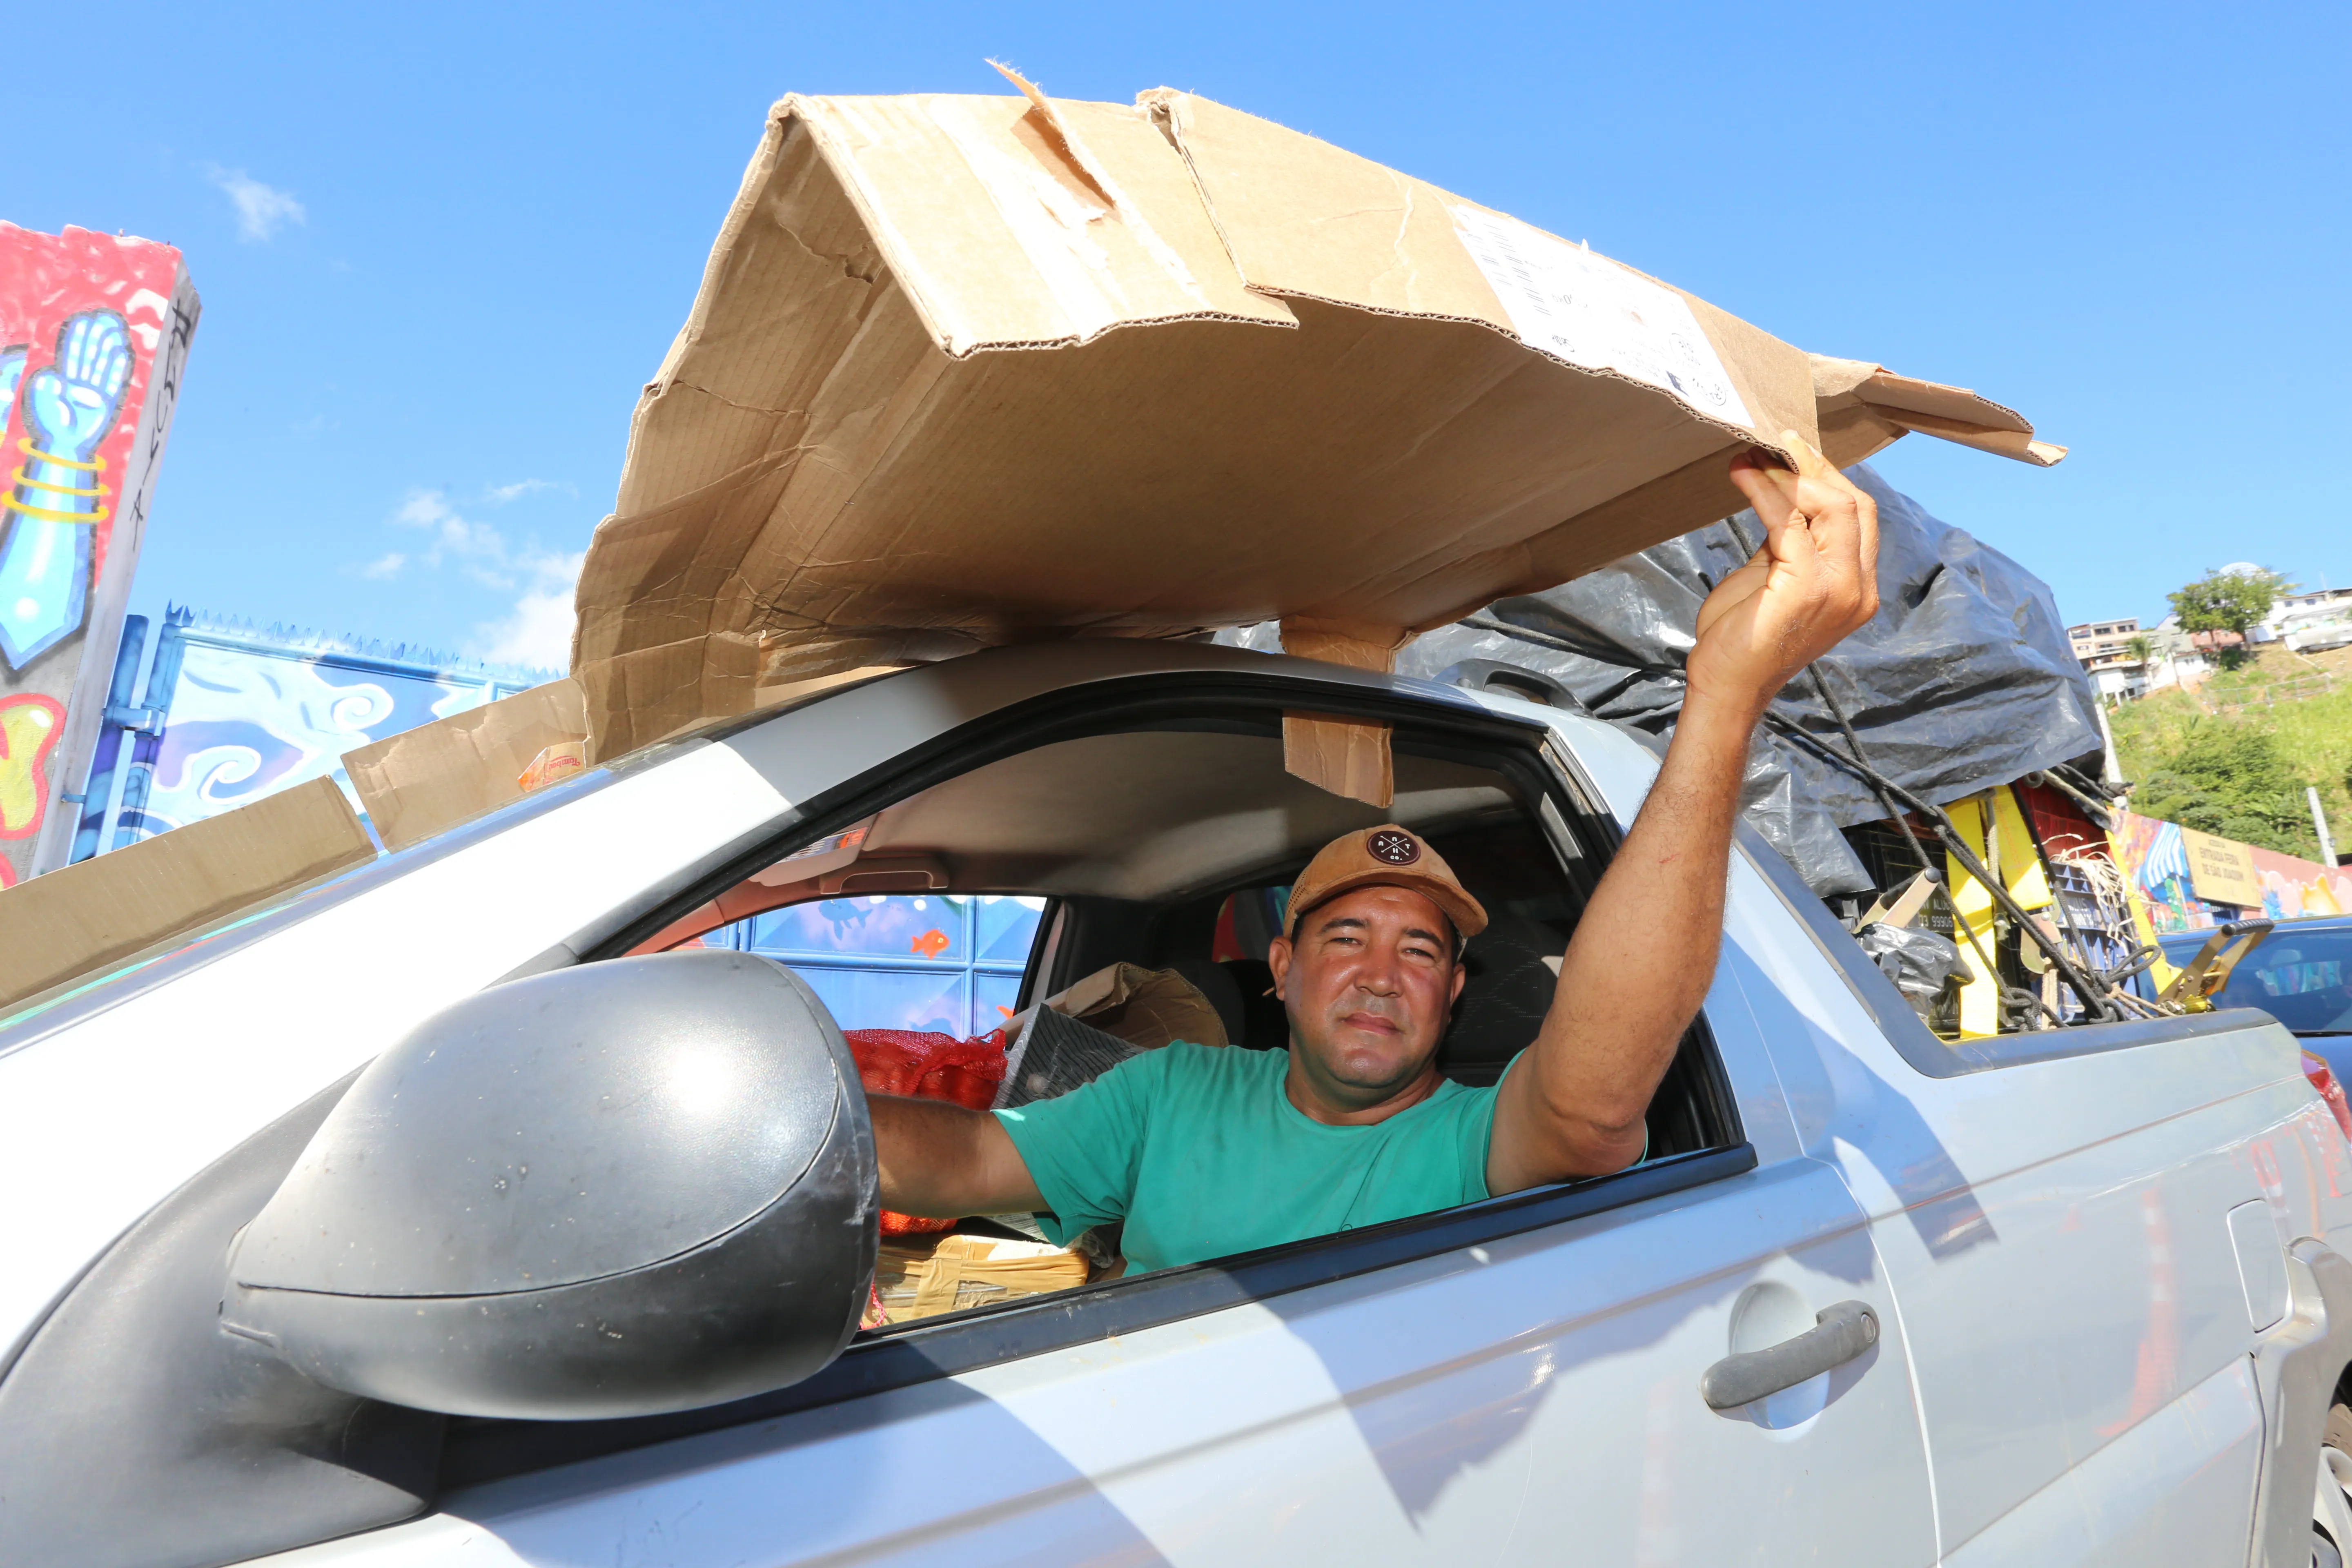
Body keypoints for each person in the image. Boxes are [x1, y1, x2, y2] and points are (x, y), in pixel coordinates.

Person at [871, 436, 1880, 1274]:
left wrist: (1722, 696)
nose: (1381, 975)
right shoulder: (1172, 1093)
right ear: (1281, 969)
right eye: (1347, 934)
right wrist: (767, 1135)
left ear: (1451, 995)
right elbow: (964, 1160)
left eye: (1421, 951)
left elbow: (1587, 1108)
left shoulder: (1473, 1139)